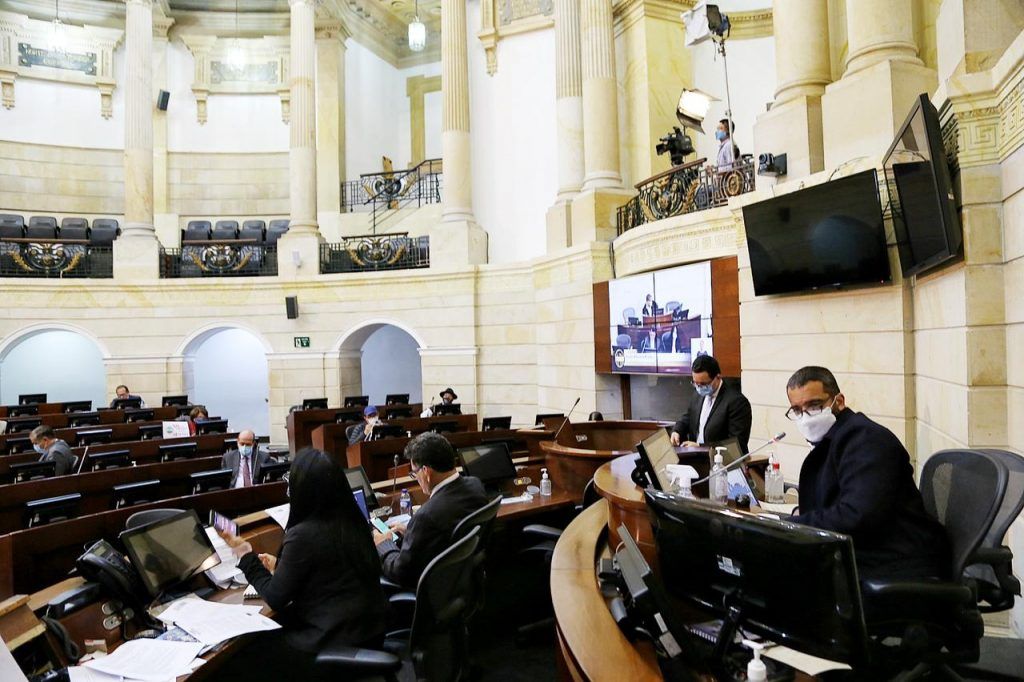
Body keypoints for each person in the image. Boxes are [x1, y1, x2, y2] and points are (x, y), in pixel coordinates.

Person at [217, 449, 386, 680]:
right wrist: (283, 565)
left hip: (329, 642)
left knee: (238, 658)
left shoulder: (303, 534)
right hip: (369, 633)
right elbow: (331, 571)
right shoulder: (354, 520)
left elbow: (276, 597)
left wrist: (246, 555)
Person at [785, 366, 950, 581]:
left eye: (815, 406)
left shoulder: (866, 439)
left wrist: (790, 526)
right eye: (797, 410)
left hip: (895, 561)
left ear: (839, 401)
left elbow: (857, 515)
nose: (806, 417)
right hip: (867, 551)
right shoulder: (834, 440)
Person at [373, 432, 489, 589]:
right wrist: (412, 533)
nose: (416, 478)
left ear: (426, 472)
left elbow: (401, 573)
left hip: (434, 592)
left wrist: (384, 544)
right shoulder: (475, 485)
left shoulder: (426, 516)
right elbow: (448, 534)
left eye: (414, 473)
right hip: (465, 582)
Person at [671, 354, 752, 453]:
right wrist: (677, 431)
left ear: (718, 377)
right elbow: (689, 417)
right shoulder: (698, 394)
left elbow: (737, 445)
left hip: (721, 462)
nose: (699, 388)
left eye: (704, 384)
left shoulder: (737, 402)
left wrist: (701, 447)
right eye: (695, 383)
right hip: (694, 457)